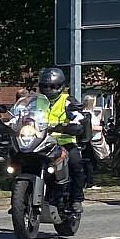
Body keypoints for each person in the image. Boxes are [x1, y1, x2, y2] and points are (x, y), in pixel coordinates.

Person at [37, 67, 88, 213]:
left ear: (61, 86)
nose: (49, 89)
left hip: (64, 142)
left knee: (75, 163)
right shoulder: (36, 101)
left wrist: (72, 125)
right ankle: (20, 196)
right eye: (45, 86)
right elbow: (23, 114)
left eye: (53, 86)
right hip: (41, 142)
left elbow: (77, 116)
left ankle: (76, 199)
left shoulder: (67, 101)